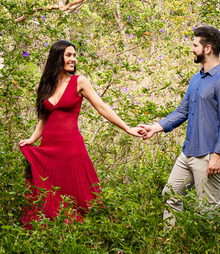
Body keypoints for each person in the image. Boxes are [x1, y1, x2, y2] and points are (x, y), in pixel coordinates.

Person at [19, 39, 140, 226]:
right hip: (49, 147)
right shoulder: (42, 87)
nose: (73, 59)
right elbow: (44, 118)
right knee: (49, 190)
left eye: (74, 55)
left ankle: (95, 228)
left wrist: (128, 128)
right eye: (68, 55)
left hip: (72, 146)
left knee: (82, 192)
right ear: (57, 57)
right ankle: (54, 228)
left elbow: (102, 107)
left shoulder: (79, 82)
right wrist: (32, 139)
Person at [137, 24, 220, 223]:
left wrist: (217, 156)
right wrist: (154, 128)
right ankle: (170, 240)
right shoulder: (196, 79)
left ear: (207, 48)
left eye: (195, 45)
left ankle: (210, 243)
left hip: (209, 155)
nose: (191, 49)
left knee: (208, 210)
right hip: (188, 152)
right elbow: (183, 111)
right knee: (170, 195)